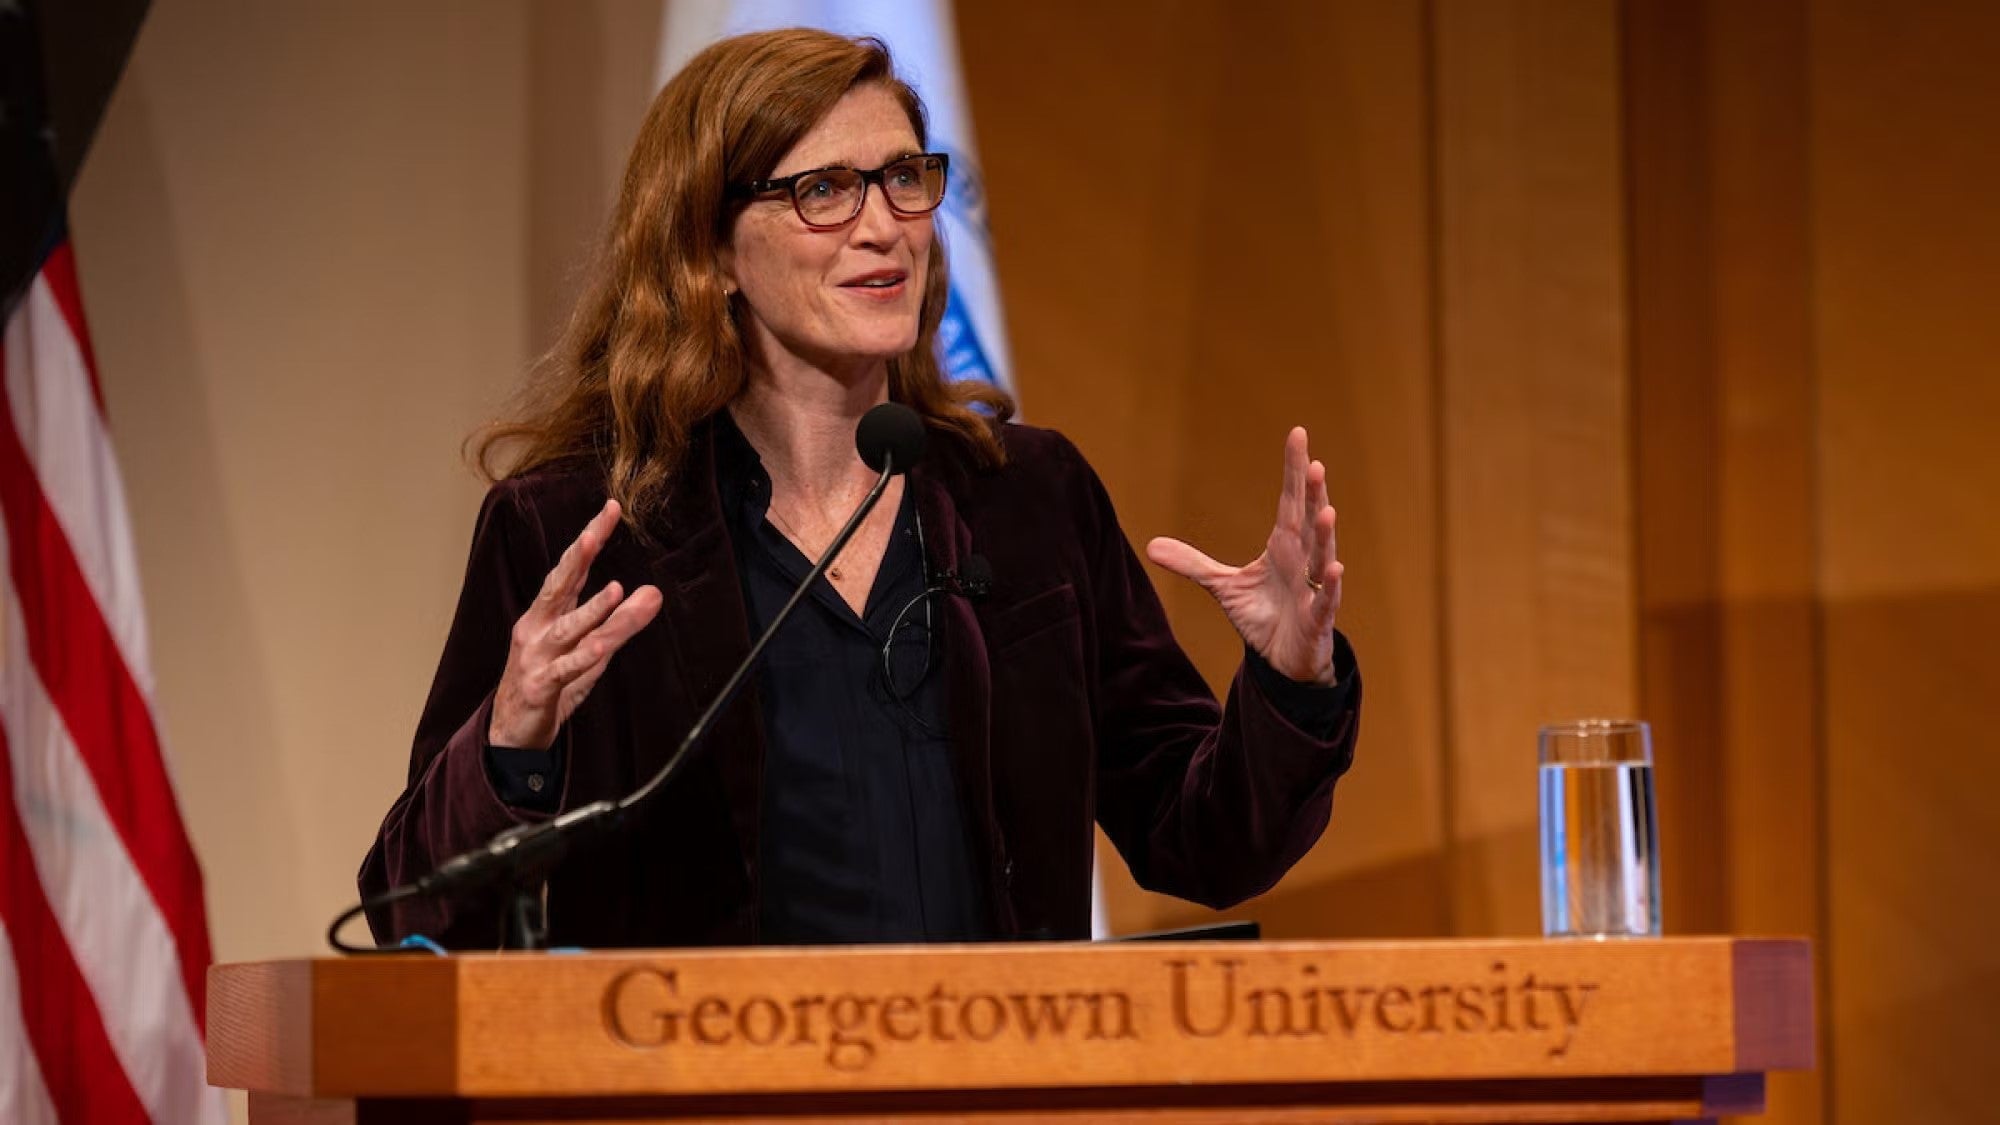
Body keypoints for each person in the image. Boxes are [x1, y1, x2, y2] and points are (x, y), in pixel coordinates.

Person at [359, 28, 1361, 950]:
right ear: (711, 250)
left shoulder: (1027, 499)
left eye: (902, 179)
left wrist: (1289, 681)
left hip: (999, 1066)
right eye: (824, 190)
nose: (883, 226)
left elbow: (1202, 840)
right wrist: (510, 745)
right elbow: (412, 910)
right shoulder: (581, 531)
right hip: (706, 1073)